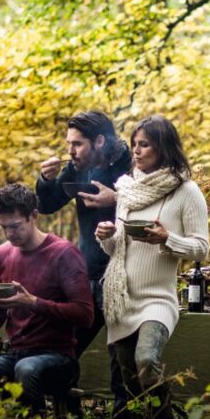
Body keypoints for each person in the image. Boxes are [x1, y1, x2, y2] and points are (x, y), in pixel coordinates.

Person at [94, 115, 210, 419]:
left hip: (157, 299)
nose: (136, 151)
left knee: (146, 361)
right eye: (134, 145)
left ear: (163, 147)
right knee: (130, 383)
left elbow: (201, 248)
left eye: (144, 144)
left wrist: (166, 239)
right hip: (122, 298)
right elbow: (117, 250)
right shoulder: (127, 191)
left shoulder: (187, 192)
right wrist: (106, 236)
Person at [0, 184, 94, 412]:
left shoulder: (63, 253)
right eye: (3, 227)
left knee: (26, 369)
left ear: (33, 216)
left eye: (15, 226)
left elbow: (85, 315)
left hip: (58, 357)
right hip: (14, 352)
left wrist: (33, 303)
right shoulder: (2, 254)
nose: (9, 234)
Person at [35, 110, 132, 355]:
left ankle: (126, 395)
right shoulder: (77, 167)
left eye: (77, 144)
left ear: (99, 141)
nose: (70, 151)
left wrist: (117, 200)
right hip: (87, 273)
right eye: (69, 144)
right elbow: (47, 206)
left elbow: (154, 210)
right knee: (67, 347)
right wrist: (46, 180)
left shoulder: (130, 165)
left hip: (124, 276)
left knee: (120, 357)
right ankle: (60, 392)